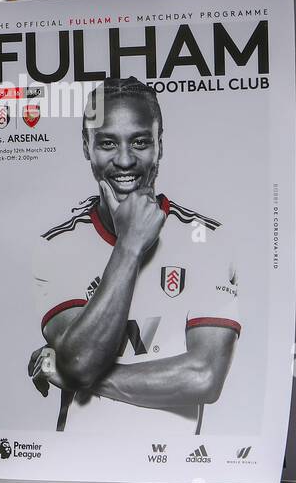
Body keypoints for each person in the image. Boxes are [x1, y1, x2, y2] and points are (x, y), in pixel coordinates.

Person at [26, 77, 239, 434]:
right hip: (78, 467)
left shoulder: (209, 240)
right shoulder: (55, 247)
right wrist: (129, 244)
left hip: (176, 472)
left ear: (160, 144)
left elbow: (203, 377)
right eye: (107, 143)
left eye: (140, 141)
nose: (125, 160)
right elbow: (80, 360)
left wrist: (71, 372)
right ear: (86, 146)